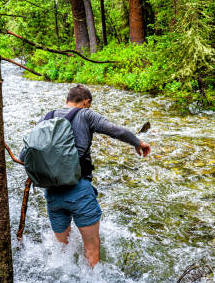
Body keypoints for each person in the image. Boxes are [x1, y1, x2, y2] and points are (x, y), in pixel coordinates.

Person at [20, 84, 150, 266]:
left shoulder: (46, 118)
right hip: (79, 190)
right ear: (86, 102)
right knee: (91, 250)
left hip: (52, 194)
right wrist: (138, 142)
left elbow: (24, 155)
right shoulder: (86, 115)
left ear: (68, 99)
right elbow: (116, 130)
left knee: (61, 252)